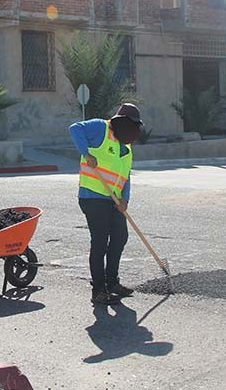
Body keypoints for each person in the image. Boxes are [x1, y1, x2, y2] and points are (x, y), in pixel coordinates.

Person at [69, 103, 143, 305]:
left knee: (120, 237)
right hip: (92, 197)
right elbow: (75, 129)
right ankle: (98, 290)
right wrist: (87, 153)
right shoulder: (101, 128)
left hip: (114, 200)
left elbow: (125, 176)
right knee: (100, 242)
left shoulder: (126, 147)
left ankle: (112, 283)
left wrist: (124, 199)